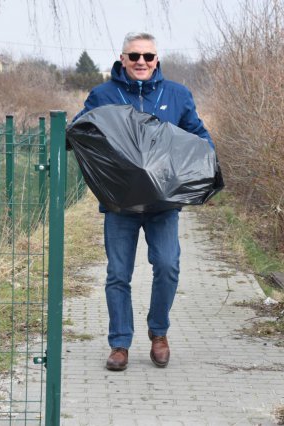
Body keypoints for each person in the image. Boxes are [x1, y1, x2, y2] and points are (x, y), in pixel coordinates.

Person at [74, 32, 214, 371]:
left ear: (157, 59)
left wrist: (199, 174)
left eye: (148, 57)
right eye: (134, 56)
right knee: (118, 274)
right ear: (122, 59)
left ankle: (158, 332)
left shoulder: (177, 95)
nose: (141, 62)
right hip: (120, 204)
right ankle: (119, 344)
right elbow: (79, 131)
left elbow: (200, 138)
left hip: (162, 204)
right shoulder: (104, 94)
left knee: (168, 266)